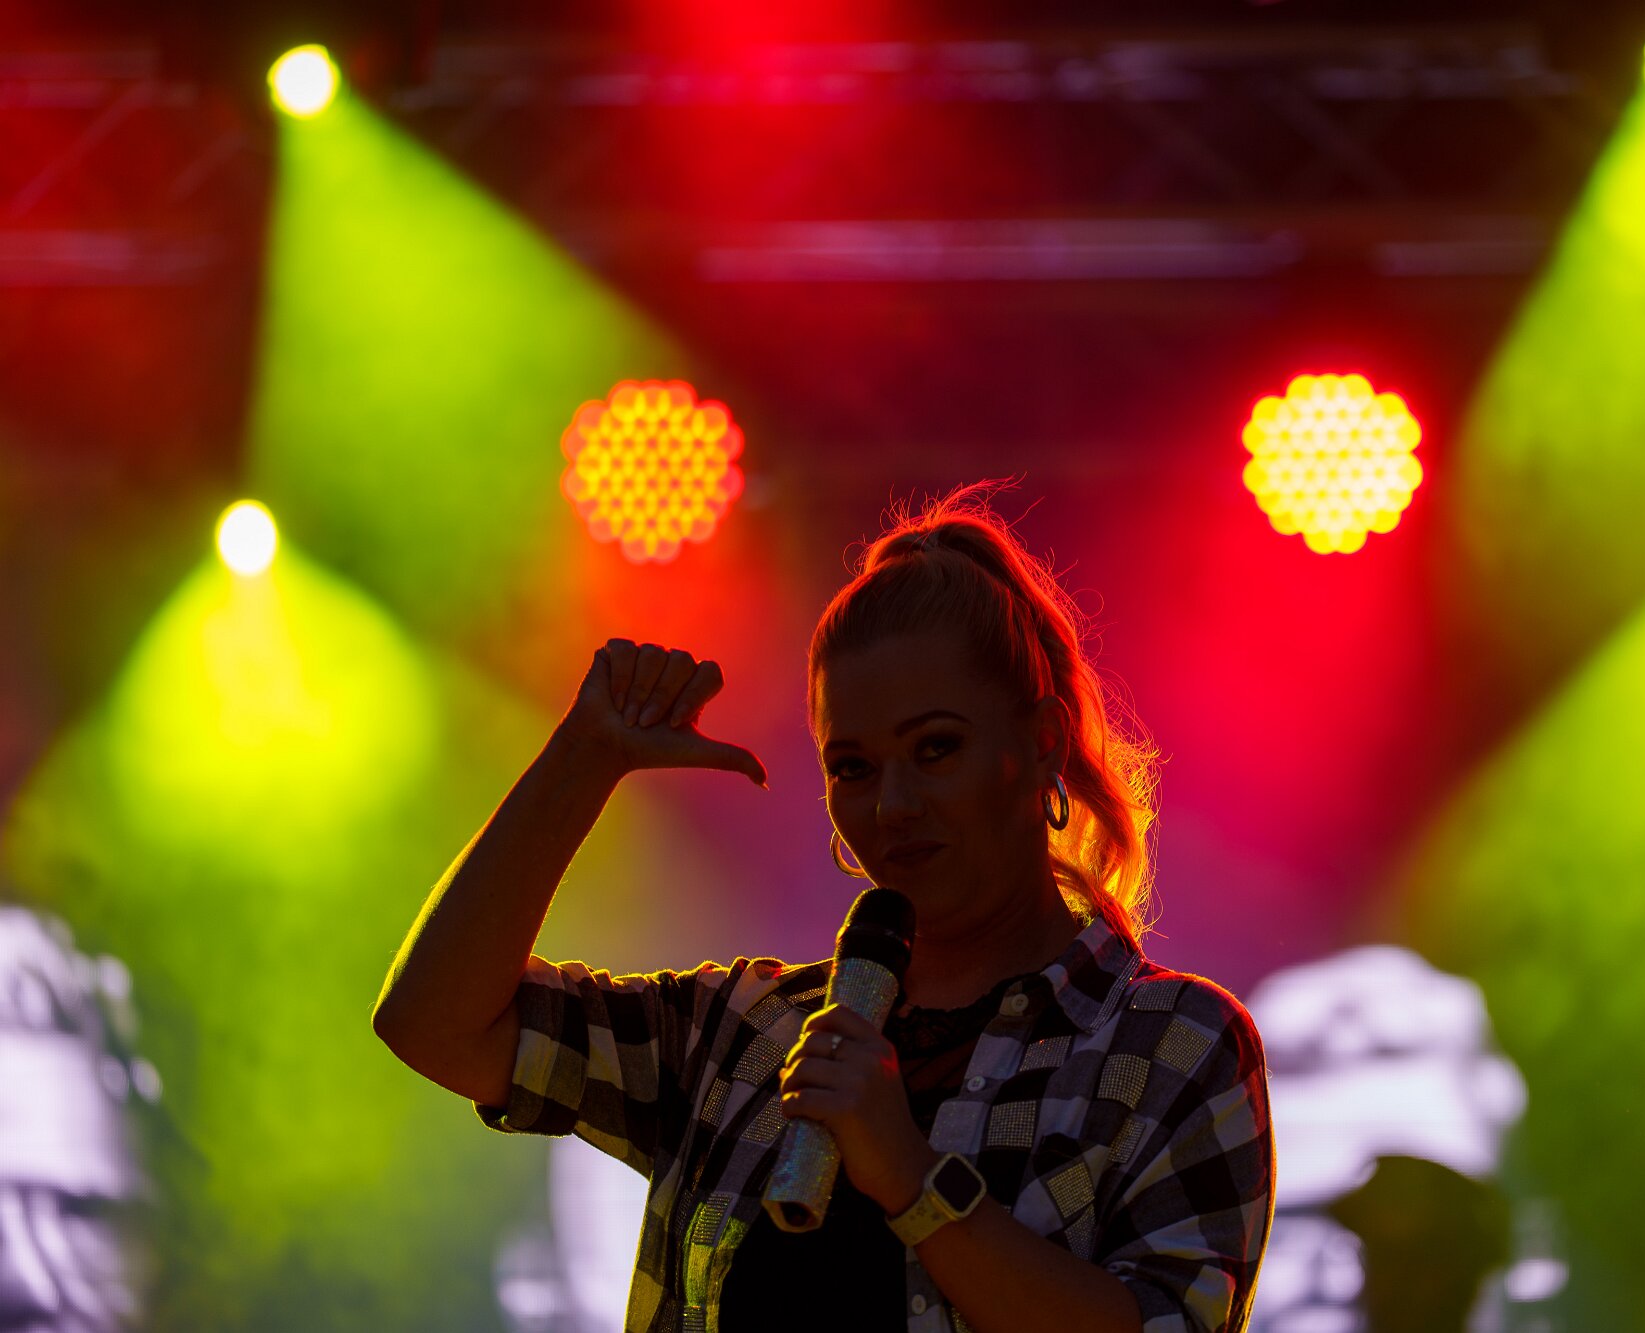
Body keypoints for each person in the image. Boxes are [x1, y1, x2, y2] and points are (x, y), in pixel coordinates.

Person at [372, 481, 1275, 1332]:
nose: (893, 804)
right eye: (854, 767)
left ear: (1042, 743)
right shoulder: (746, 1031)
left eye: (935, 748)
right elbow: (436, 1023)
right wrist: (583, 760)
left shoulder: (1170, 1046)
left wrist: (912, 1177)